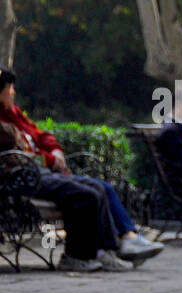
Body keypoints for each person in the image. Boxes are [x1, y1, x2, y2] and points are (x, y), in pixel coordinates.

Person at [0, 67, 162, 271]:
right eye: (10, 88)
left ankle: (110, 250)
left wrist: (55, 151)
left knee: (99, 188)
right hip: (18, 177)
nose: (13, 92)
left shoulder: (13, 113)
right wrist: (48, 157)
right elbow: (13, 145)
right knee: (87, 194)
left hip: (35, 172)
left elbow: (41, 136)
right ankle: (80, 256)